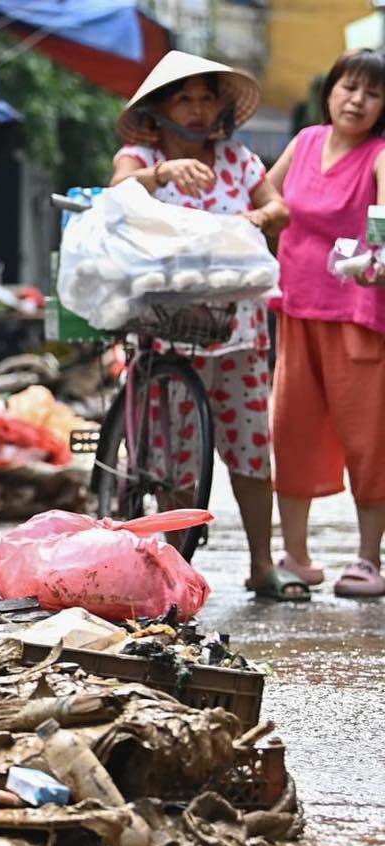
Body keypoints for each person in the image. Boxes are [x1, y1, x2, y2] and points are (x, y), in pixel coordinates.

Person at [110, 51, 304, 602]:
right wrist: (160, 173)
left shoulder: (239, 161)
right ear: (161, 108)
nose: (196, 111)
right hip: (165, 327)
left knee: (250, 448)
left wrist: (257, 217)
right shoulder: (138, 157)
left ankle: (263, 564)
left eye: (206, 98)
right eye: (183, 98)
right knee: (176, 459)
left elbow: (280, 209)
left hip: (238, 327)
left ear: (220, 108)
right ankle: (173, 573)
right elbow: (116, 194)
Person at [267, 49, 385, 597]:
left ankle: (367, 560)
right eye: (349, 87)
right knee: (291, 430)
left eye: (373, 93)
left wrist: (378, 257)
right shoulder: (306, 141)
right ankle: (295, 555)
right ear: (330, 90)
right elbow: (264, 200)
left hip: (358, 316)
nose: (357, 100)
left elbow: (383, 219)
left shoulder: (381, 155)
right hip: (294, 309)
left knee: (368, 438)